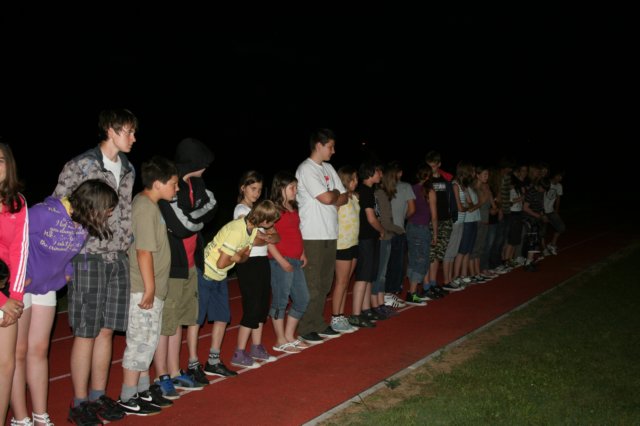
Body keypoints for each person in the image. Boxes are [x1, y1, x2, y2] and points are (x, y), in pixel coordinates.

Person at [53, 108, 138, 425]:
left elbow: (124, 212)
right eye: (129, 131)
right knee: (86, 332)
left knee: (106, 331)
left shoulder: (128, 169)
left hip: (118, 257)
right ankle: (78, 403)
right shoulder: (80, 165)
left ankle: (98, 395)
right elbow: (58, 208)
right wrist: (67, 253)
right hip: (88, 257)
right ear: (111, 130)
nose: (133, 138)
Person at [10, 180, 118, 426]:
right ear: (92, 205)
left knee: (39, 350)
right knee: (18, 352)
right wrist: (15, 274)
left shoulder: (83, 225)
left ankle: (40, 415)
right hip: (21, 286)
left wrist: (66, 273)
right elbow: (11, 238)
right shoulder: (43, 214)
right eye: (107, 210)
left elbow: (69, 254)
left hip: (46, 288)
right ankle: (20, 417)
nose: (108, 216)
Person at [154, 138, 217, 399]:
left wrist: (191, 216)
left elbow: (212, 205)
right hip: (173, 265)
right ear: (193, 162)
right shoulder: (171, 186)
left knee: (180, 321)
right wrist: (194, 218)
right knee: (166, 324)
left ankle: (174, 369)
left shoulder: (197, 184)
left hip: (191, 262)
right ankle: (161, 375)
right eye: (204, 162)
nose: (207, 166)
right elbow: (180, 227)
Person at [117, 156, 179, 416]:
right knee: (139, 342)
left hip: (152, 287)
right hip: (144, 288)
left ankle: (141, 391)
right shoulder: (144, 207)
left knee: (148, 343)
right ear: (158, 183)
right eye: (173, 183)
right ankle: (127, 396)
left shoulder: (152, 206)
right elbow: (143, 251)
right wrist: (150, 288)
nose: (176, 188)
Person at [198, 200, 280, 377]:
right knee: (196, 321)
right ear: (264, 221)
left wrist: (237, 256)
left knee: (223, 317)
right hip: (206, 273)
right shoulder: (238, 230)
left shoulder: (252, 230)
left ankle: (213, 362)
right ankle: (194, 364)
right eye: (272, 222)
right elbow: (222, 262)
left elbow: (243, 257)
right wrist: (237, 256)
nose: (273, 226)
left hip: (220, 275)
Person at [295, 129, 348, 344]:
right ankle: (305, 326)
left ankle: (317, 321)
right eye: (330, 147)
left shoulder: (329, 168)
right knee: (313, 284)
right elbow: (328, 198)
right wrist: (334, 195)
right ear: (319, 145)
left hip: (330, 232)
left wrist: (334, 196)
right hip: (312, 234)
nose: (333, 151)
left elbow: (344, 197)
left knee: (325, 283)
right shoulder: (306, 169)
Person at [231, 171, 280, 368]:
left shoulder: (259, 210)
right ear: (243, 188)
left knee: (261, 307)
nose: (256, 193)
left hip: (262, 260)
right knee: (252, 306)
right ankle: (239, 352)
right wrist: (266, 236)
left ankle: (256, 347)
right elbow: (251, 238)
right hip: (248, 262)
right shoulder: (241, 210)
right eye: (253, 189)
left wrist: (265, 236)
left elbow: (276, 236)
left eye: (259, 190)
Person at [0, 142, 28, 425]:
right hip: (1, 299)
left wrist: (15, 298)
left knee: (6, 366)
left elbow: (20, 251)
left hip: (8, 296)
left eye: (0, 160)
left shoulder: (17, 203)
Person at [268, 171, 311, 353]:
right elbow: (267, 238)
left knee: (302, 298)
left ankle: (289, 336)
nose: (295, 190)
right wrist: (280, 260)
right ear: (281, 188)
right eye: (292, 187)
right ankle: (280, 340)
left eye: (296, 187)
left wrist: (303, 253)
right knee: (280, 300)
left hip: (295, 260)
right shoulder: (273, 209)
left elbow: (295, 232)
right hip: (281, 261)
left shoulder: (293, 207)